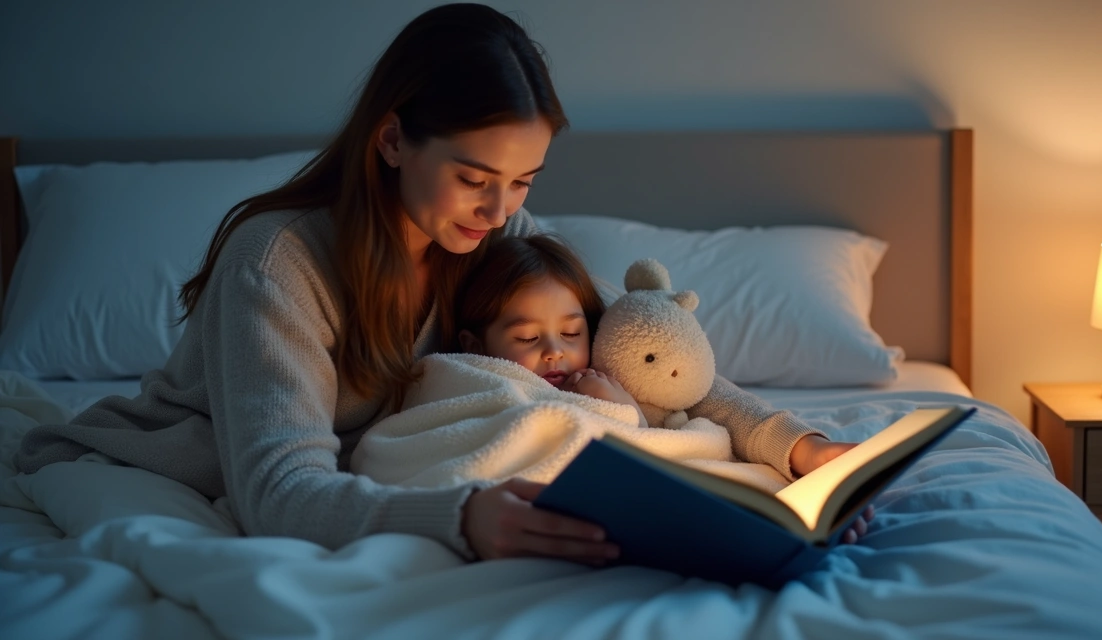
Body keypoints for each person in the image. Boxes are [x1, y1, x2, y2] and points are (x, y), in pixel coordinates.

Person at [14, 2, 868, 565]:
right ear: (392, 141)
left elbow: (645, 353)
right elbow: (277, 490)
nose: (500, 210)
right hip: (187, 467)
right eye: (473, 177)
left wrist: (792, 447)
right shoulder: (278, 264)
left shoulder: (502, 240)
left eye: (524, 180)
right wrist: (463, 517)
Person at [449, 234, 651, 428]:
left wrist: (629, 412)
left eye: (571, 333)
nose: (554, 351)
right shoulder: (465, 390)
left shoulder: (609, 390)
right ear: (475, 347)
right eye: (528, 338)